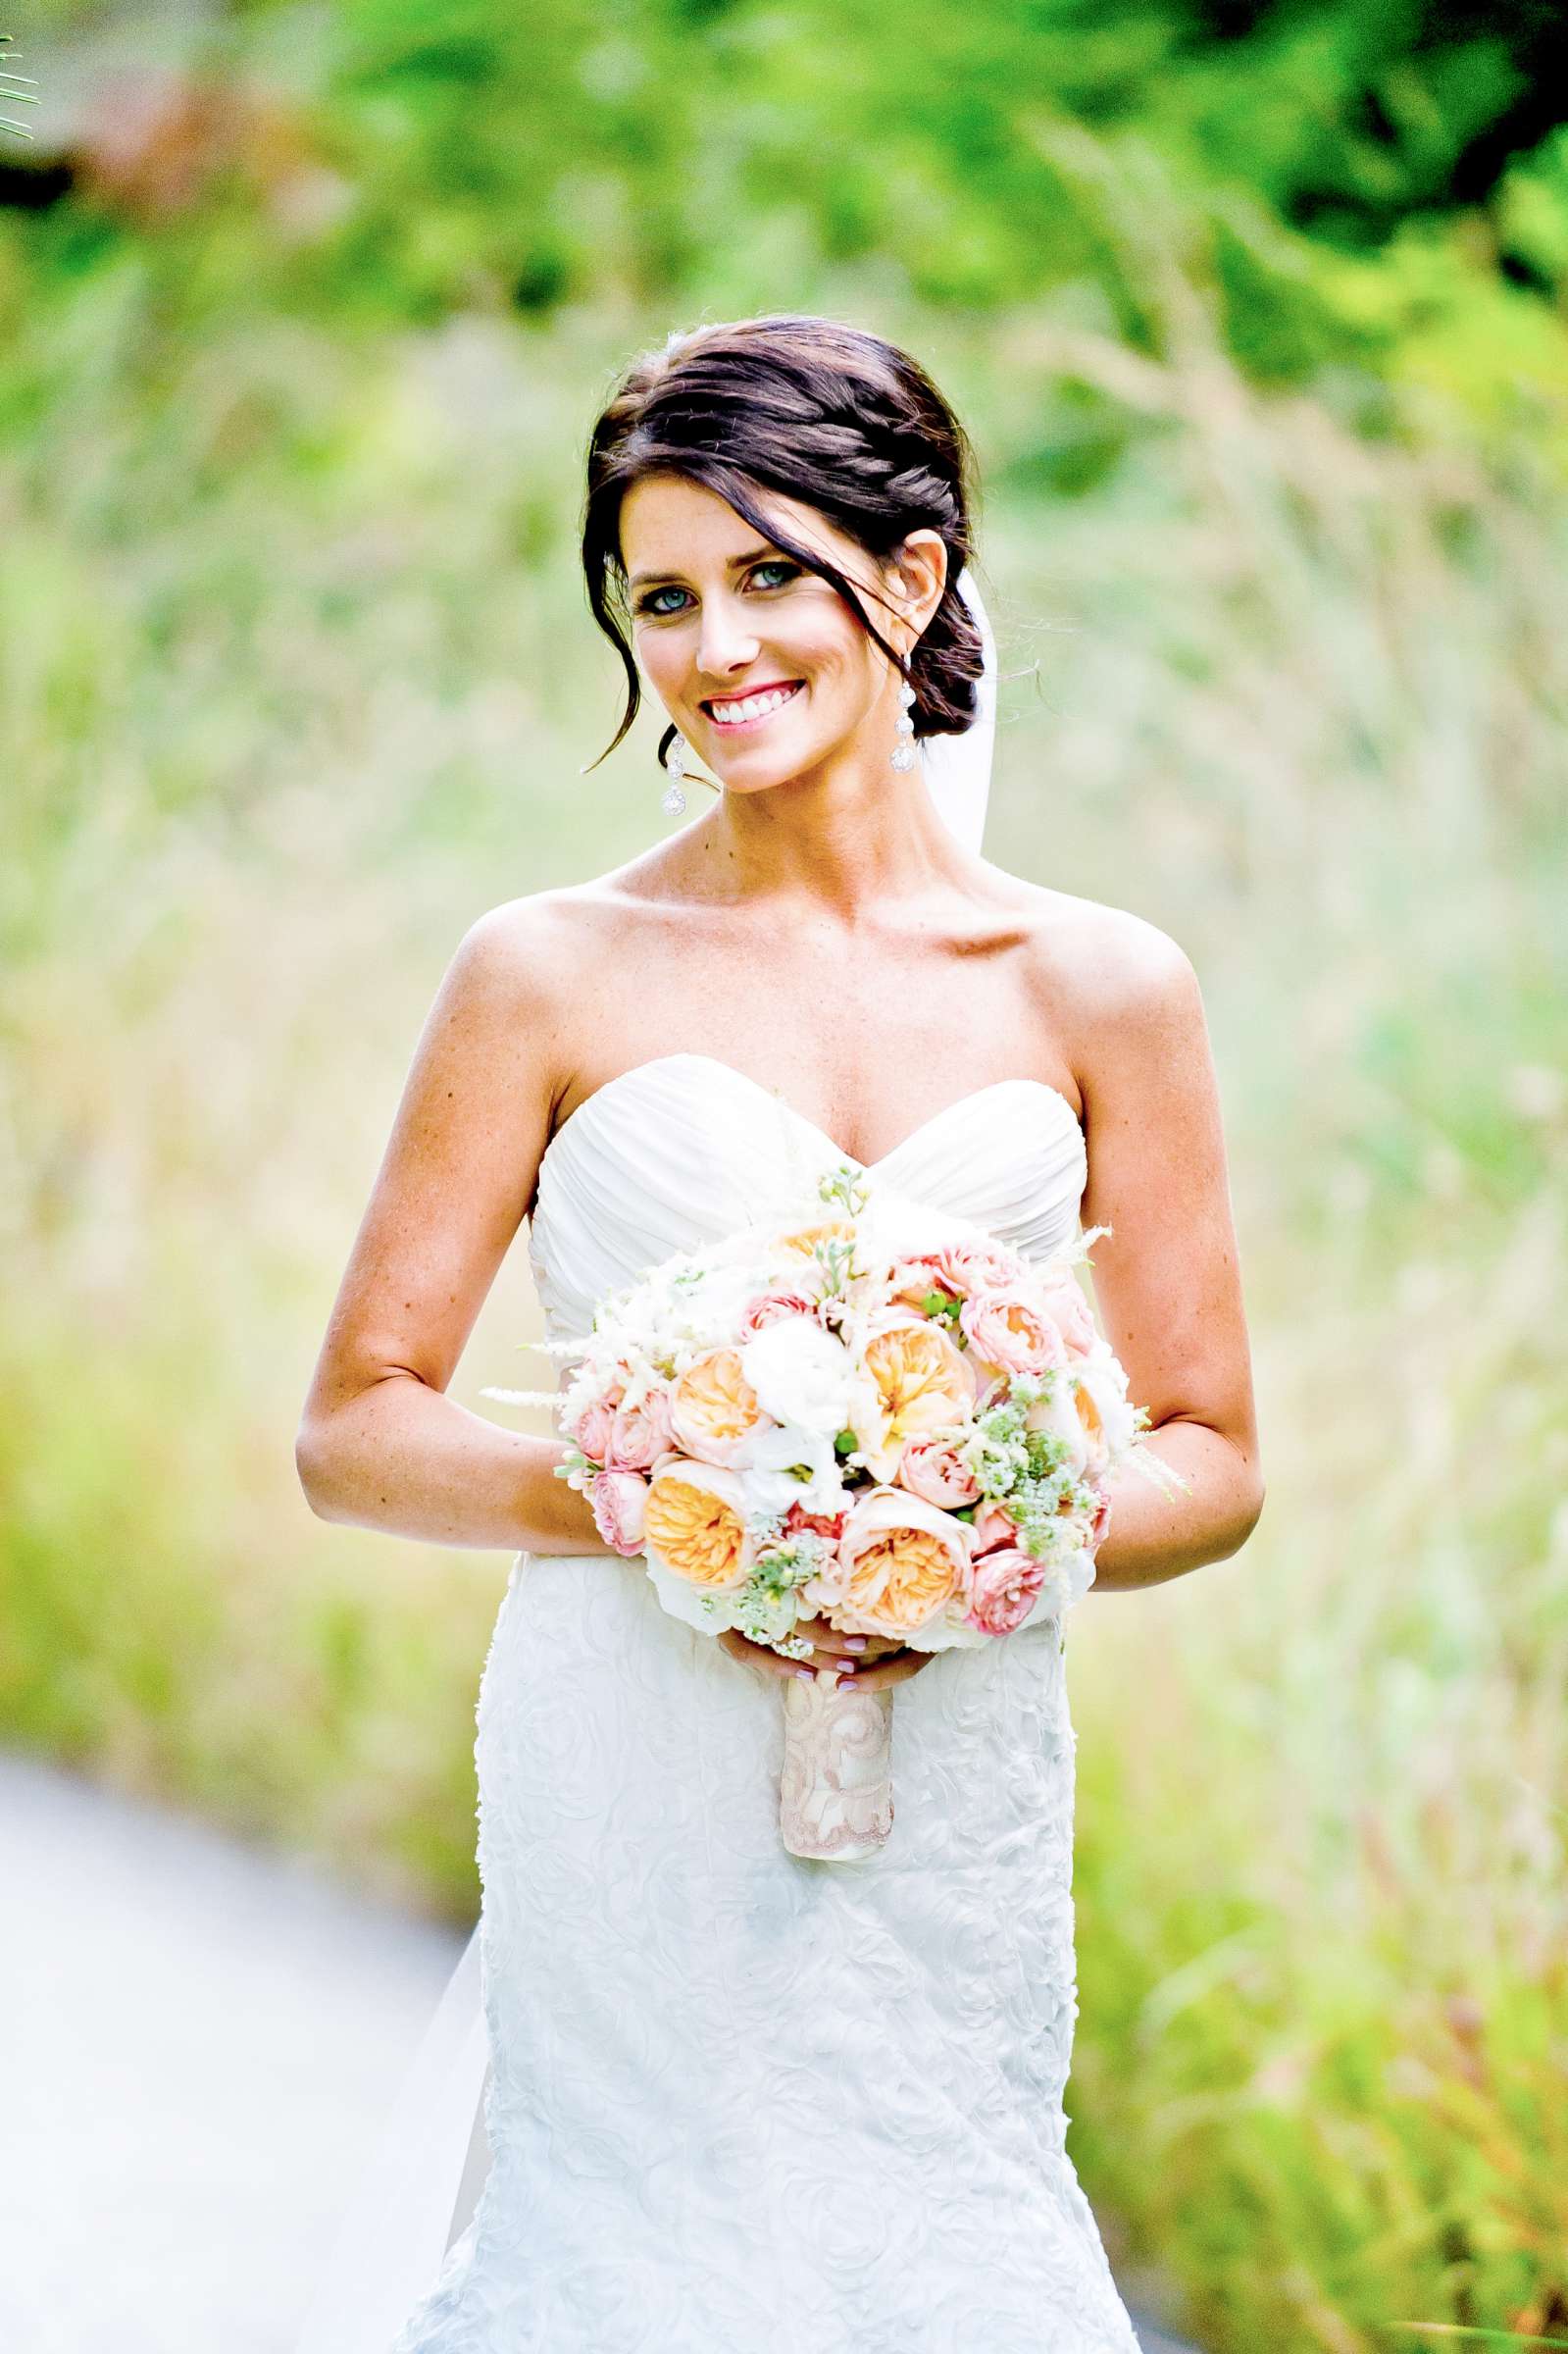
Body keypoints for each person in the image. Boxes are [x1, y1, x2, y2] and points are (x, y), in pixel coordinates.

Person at [292, 312, 1263, 2353]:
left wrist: (970, 1521)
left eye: (763, 578)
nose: (708, 649)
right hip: (624, 1757)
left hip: (960, 1762)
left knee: (945, 2238)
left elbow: (1208, 1452)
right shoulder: (543, 971)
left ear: (908, 584)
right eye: (657, 598)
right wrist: (683, 1508)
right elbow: (357, 1425)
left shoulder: (1101, 987)